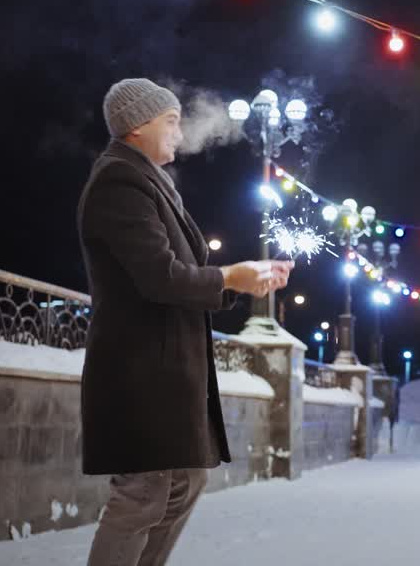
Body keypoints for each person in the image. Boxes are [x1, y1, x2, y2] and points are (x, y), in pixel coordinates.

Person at [77, 77, 293, 566]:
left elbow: (183, 274)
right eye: (171, 121)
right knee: (143, 494)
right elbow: (159, 277)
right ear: (136, 126)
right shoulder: (119, 180)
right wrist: (227, 277)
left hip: (165, 371)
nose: (181, 131)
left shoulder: (150, 180)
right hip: (139, 371)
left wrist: (239, 282)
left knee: (183, 480)